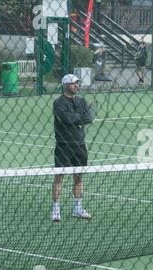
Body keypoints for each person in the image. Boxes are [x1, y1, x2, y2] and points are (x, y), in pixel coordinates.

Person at [51, 74, 95, 222]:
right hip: (64, 145)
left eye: (77, 83)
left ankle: (78, 208)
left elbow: (89, 118)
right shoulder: (58, 103)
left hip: (79, 145)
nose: (77, 85)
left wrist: (76, 116)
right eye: (73, 83)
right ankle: (56, 209)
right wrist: (79, 115)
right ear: (65, 85)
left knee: (78, 177)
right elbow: (67, 120)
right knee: (59, 177)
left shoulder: (81, 100)